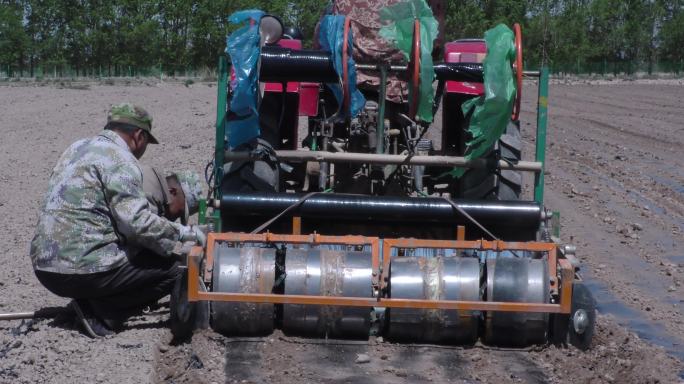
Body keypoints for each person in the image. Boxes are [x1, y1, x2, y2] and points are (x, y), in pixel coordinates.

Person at [29, 102, 205, 338]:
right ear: (138, 136)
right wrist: (185, 233)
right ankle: (101, 311)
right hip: (79, 271)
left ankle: (93, 301)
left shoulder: (76, 148)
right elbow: (137, 224)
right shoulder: (122, 160)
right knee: (174, 268)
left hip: (44, 267)